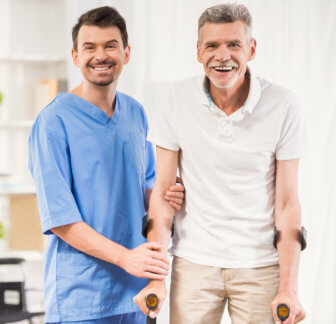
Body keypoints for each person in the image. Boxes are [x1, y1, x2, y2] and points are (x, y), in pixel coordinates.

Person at [134, 3, 307, 324]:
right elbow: (162, 195)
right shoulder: (175, 98)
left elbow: (287, 204)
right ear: (198, 51)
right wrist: (156, 279)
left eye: (234, 44)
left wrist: (289, 288)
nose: (222, 55)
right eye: (212, 45)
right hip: (193, 262)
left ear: (251, 49)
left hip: (260, 264)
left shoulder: (283, 104)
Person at [28, 6, 184, 324]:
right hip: (81, 297)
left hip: (137, 292)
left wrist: (169, 196)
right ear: (75, 56)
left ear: (126, 53)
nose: (101, 55)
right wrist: (126, 258)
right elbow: (60, 219)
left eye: (110, 45)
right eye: (90, 47)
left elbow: (146, 189)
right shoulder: (52, 123)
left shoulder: (136, 114)